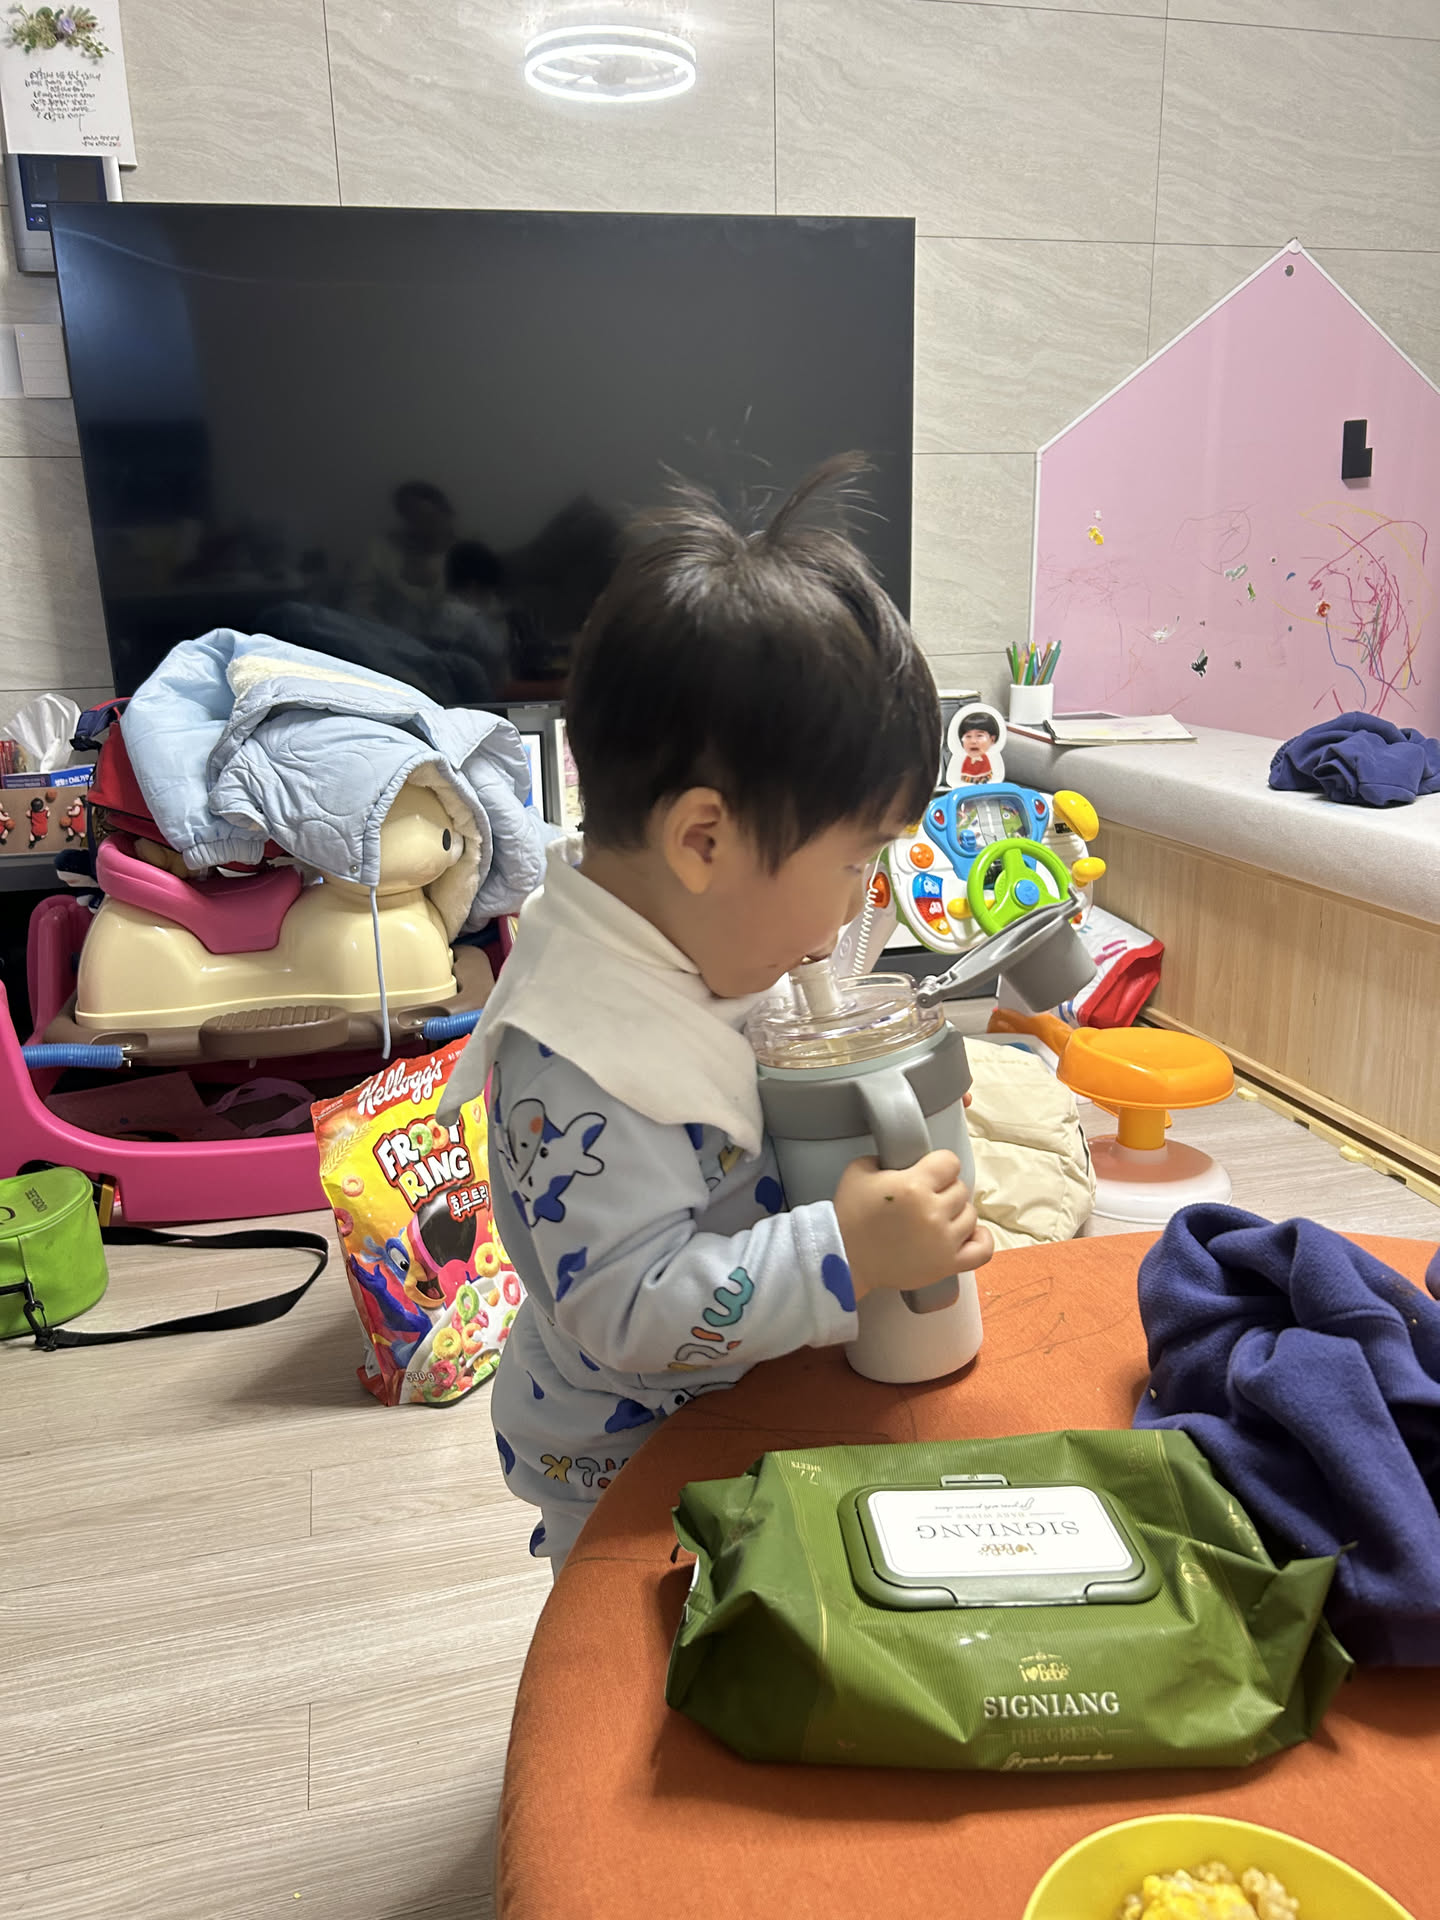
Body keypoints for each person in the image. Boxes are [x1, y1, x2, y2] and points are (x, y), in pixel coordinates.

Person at [437, 455, 993, 1571]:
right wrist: (845, 1246)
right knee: (652, 1651)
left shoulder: (698, 940)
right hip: (631, 1462)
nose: (865, 898)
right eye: (856, 862)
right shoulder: (583, 1052)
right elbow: (628, 1308)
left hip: (752, 1394)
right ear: (705, 841)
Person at [955, 709, 1002, 785]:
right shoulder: (966, 759)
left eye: (979, 736)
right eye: (968, 736)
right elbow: (964, 772)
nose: (973, 741)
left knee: (987, 776)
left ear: (992, 739)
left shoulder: (986, 758)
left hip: (985, 781)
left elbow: (987, 770)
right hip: (968, 780)